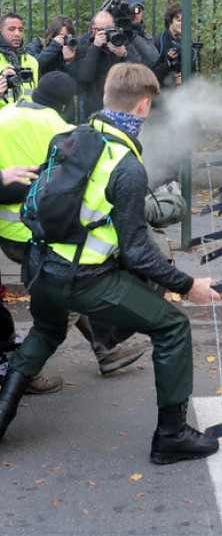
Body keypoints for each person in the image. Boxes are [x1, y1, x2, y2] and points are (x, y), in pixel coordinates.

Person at [0, 63, 221, 464]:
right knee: (173, 327)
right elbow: (138, 252)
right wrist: (189, 285)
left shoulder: (71, 138)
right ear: (143, 106)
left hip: (40, 268)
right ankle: (171, 435)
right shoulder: (127, 165)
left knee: (47, 332)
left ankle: (1, 416)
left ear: (104, 98)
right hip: (84, 280)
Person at [0, 72, 147, 392]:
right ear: (65, 104)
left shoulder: (4, 112)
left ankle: (105, 350)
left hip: (5, 229)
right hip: (38, 232)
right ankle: (27, 371)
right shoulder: (60, 129)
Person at [75, 11, 142, 118]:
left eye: (108, 28)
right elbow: (84, 76)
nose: (105, 32)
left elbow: (139, 72)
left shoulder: (122, 42)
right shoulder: (86, 45)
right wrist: (95, 47)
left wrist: (124, 54)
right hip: (94, 107)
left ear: (114, 26)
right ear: (93, 29)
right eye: (101, 30)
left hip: (121, 106)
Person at [23, 15, 79, 122]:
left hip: (63, 106)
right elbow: (33, 65)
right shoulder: (38, 45)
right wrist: (54, 47)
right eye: (61, 36)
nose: (65, 40)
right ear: (52, 35)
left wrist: (68, 62)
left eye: (68, 36)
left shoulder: (73, 49)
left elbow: (76, 86)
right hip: (42, 102)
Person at [0, 12, 40, 109]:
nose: (17, 34)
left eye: (20, 30)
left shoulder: (31, 61)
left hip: (27, 120)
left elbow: (37, 97)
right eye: (11, 29)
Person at [153, 3, 184, 87]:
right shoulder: (159, 41)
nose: (182, 23)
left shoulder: (185, 40)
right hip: (163, 90)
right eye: (179, 21)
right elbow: (152, 72)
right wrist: (169, 64)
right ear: (170, 21)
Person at [124, 0, 160, 69]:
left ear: (142, 12)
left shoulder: (146, 36)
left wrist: (133, 36)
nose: (134, 14)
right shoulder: (118, 33)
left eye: (137, 10)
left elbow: (153, 59)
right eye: (131, 10)